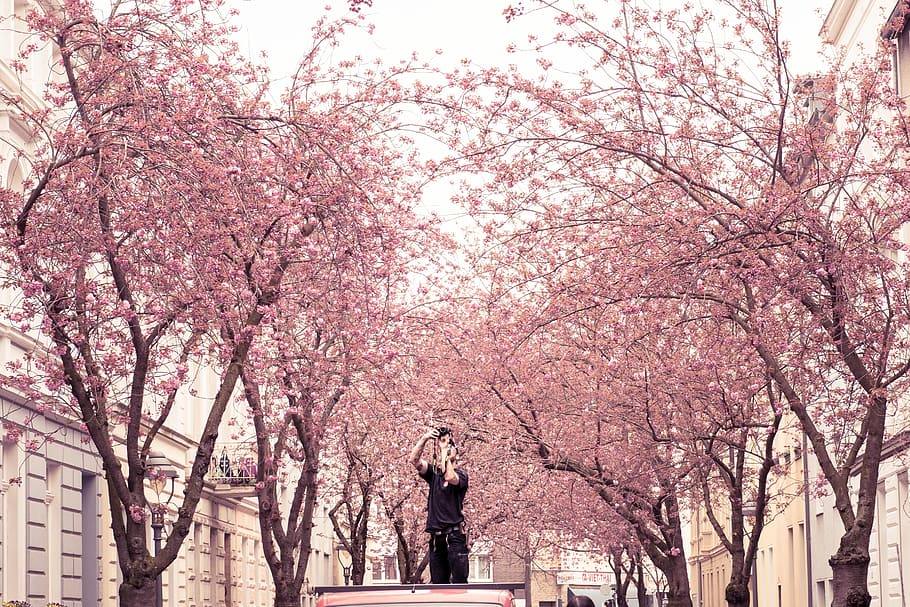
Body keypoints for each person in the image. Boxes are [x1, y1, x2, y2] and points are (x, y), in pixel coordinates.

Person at [409, 426, 469, 583]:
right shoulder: (434, 475)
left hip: (454, 537)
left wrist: (446, 454)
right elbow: (414, 460)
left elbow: (450, 477)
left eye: (449, 447)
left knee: (459, 584)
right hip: (437, 539)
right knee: (438, 584)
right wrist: (425, 438)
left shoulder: (462, 476)